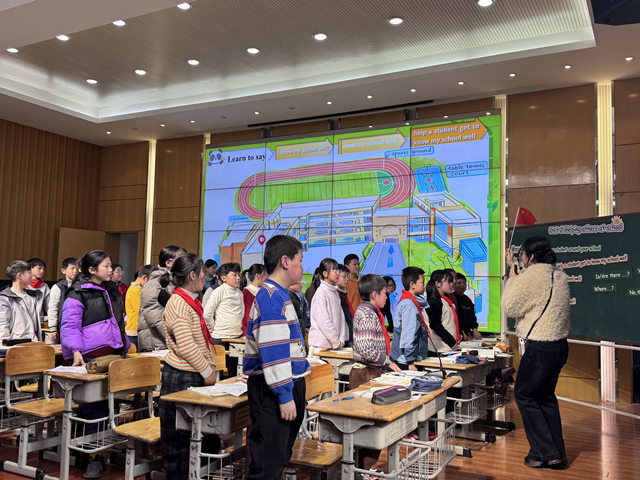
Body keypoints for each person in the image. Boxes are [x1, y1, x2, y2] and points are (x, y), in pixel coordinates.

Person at [243, 235, 310, 480]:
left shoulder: (280, 294)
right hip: (272, 390)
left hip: (286, 384)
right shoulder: (271, 297)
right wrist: (284, 394)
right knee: (267, 464)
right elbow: (273, 351)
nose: (302, 267)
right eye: (299, 260)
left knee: (278, 457)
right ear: (285, 261)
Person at [60, 250, 130, 479]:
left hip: (113, 356)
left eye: (111, 266)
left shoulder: (112, 290)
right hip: (89, 359)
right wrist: (75, 350)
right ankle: (92, 457)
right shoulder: (78, 292)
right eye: (106, 266)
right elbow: (70, 325)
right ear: (91, 270)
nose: (111, 270)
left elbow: (118, 322)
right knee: (93, 411)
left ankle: (98, 451)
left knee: (109, 408)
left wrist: (125, 345)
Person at [502, 236, 570, 470]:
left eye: (522, 255)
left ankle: (546, 452)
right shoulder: (559, 275)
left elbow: (509, 306)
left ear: (530, 257)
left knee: (524, 395)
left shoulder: (533, 276)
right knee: (545, 398)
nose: (521, 259)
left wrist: (512, 275)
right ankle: (557, 455)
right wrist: (515, 271)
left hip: (540, 347)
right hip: (559, 347)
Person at [159, 253, 220, 480]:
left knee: (200, 437)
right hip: (181, 376)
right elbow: (186, 345)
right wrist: (207, 371)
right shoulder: (178, 303)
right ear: (193, 275)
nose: (206, 276)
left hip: (192, 374)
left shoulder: (191, 300)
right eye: (203, 272)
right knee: (180, 441)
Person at [349, 273, 400, 472]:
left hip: (372, 371)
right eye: (384, 293)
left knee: (372, 429)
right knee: (368, 430)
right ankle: (360, 471)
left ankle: (364, 470)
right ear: (374, 295)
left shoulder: (370, 311)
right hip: (366, 374)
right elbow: (366, 349)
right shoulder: (367, 314)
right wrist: (387, 361)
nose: (387, 297)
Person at [138, 245, 186, 351]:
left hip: (170, 343)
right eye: (181, 259)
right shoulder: (153, 284)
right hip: (156, 344)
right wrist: (178, 340)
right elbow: (156, 317)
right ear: (168, 263)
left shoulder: (176, 282)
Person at [203, 262, 244, 375]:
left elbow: (242, 312)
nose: (238, 278)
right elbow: (207, 313)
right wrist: (213, 327)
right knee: (218, 373)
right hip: (220, 337)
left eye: (238, 275)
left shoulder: (239, 293)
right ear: (224, 278)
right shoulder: (219, 291)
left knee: (233, 372)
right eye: (234, 275)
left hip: (236, 337)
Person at [307, 258, 347, 363]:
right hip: (320, 346)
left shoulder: (335, 293)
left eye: (338, 270)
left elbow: (341, 318)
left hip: (332, 345)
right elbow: (324, 321)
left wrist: (341, 339)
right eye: (334, 270)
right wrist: (335, 341)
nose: (337, 273)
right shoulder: (321, 293)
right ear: (325, 273)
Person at [390, 267, 429, 370]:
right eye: (422, 282)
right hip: (406, 361)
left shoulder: (413, 302)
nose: (424, 286)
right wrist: (410, 362)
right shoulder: (409, 304)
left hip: (412, 358)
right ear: (412, 285)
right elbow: (409, 334)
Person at [0, 260, 41, 344]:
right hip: (15, 344)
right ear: (19, 276)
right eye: (29, 273)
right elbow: (2, 324)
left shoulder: (33, 296)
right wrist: (5, 345)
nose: (31, 275)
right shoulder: (5, 298)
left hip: (33, 342)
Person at [425, 269, 460, 354]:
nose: (452, 284)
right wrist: (452, 342)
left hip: (447, 348)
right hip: (439, 349)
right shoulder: (434, 302)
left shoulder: (445, 300)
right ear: (438, 284)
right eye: (448, 282)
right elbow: (435, 325)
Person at [46, 256, 78, 344]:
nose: (75, 271)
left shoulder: (82, 285)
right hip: (63, 326)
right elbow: (53, 308)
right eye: (72, 268)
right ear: (64, 271)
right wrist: (53, 328)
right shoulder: (58, 287)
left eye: (77, 268)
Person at [124, 264, 155, 348]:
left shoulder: (135, 288)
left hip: (136, 330)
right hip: (134, 331)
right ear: (144, 278)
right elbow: (141, 310)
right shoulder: (136, 290)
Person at [240, 263, 267, 335]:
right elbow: (247, 317)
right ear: (258, 276)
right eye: (265, 275)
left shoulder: (263, 291)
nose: (267, 278)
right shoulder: (246, 292)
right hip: (250, 332)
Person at [453, 273, 482, 341]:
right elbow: (455, 318)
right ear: (453, 285)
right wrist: (461, 332)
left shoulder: (467, 299)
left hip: (468, 334)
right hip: (458, 334)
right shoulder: (453, 298)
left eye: (464, 283)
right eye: (459, 283)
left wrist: (475, 330)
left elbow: (472, 317)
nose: (462, 285)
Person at [26, 257, 50, 327]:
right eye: (39, 268)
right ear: (30, 269)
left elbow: (49, 306)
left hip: (39, 323)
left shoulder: (44, 286)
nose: (42, 271)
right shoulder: (23, 284)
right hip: (24, 322)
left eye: (43, 269)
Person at [336, 264, 354, 345]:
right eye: (344, 276)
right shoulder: (336, 295)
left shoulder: (343, 294)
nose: (347, 279)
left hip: (348, 335)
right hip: (340, 338)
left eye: (348, 276)